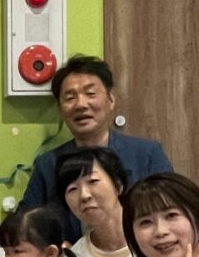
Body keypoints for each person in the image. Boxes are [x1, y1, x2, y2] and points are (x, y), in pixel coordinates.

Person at [18, 55, 173, 243]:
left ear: (111, 100)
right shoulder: (47, 165)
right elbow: (24, 225)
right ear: (60, 109)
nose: (81, 104)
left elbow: (172, 213)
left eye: (90, 94)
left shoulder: (146, 155)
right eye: (70, 97)